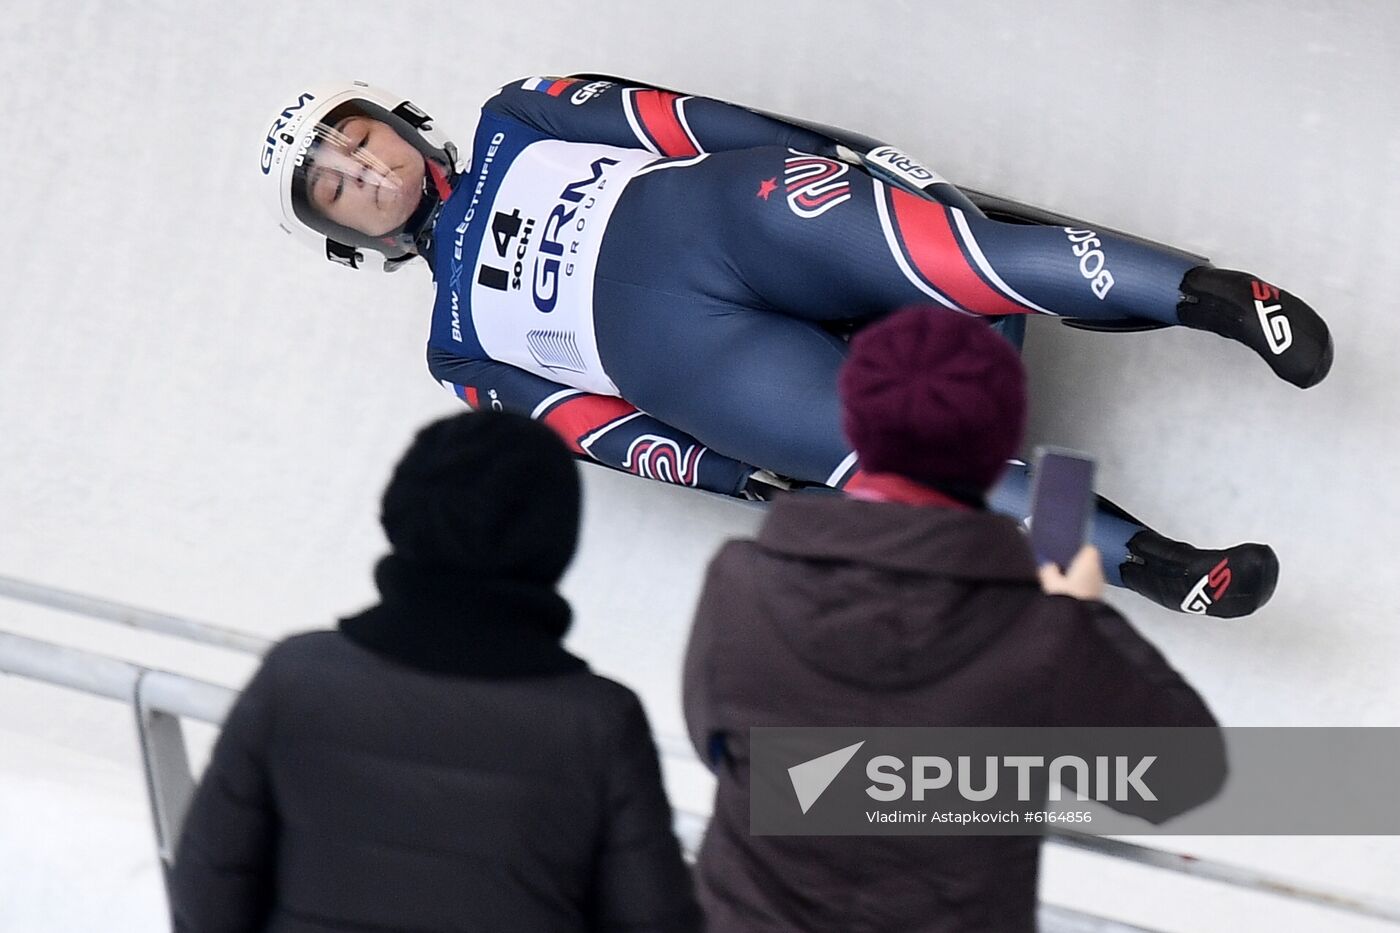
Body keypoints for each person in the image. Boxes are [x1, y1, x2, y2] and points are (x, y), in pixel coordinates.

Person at [257, 75, 1329, 617]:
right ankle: (1156, 568)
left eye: (357, 139)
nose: (364, 168)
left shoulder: (519, 113)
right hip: (708, 365)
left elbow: (676, 121)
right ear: (345, 236)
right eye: (336, 184)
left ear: (395, 122)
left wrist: (836, 159)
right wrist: (737, 477)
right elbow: (598, 430)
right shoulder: (458, 352)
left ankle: (1217, 298)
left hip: (735, 218)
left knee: (953, 257)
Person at [682, 306, 1227, 933]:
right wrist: (1078, 615)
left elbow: (715, 742)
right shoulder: (1044, 634)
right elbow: (1184, 775)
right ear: (998, 446)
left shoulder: (741, 583)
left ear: (856, 424)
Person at [169, 411, 701, 933]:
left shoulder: (294, 678)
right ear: (554, 541)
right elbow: (655, 914)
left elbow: (208, 886)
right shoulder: (600, 723)